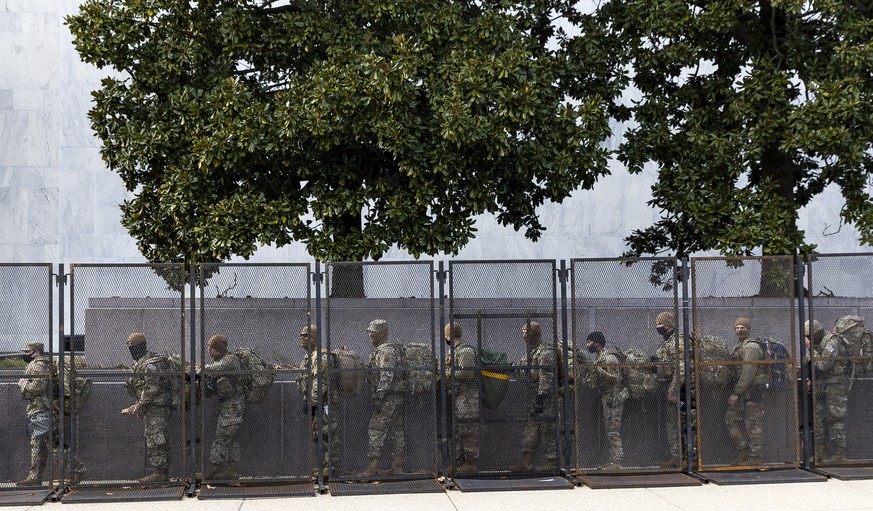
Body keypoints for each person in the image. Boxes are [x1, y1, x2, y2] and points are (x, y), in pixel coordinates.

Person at [17, 342, 88, 486]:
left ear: (35, 352)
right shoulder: (40, 363)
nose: (24, 354)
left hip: (43, 408)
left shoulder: (40, 364)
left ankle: (78, 468)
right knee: (39, 443)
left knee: (52, 443)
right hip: (39, 408)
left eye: (27, 351)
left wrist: (23, 384)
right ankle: (35, 476)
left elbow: (38, 387)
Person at [123, 332, 176, 482]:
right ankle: (161, 472)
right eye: (130, 347)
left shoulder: (151, 363)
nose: (131, 350)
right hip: (150, 407)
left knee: (155, 438)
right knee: (157, 437)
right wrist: (141, 406)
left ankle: (160, 474)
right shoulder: (140, 362)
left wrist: (140, 406)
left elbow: (151, 387)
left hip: (157, 407)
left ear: (140, 346)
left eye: (133, 347)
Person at [509, 320, 557, 472]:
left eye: (526, 333)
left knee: (548, 432)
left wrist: (541, 399)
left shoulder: (545, 352)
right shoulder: (531, 353)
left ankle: (553, 462)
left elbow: (546, 377)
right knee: (531, 432)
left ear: (533, 334)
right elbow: (523, 372)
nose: (524, 336)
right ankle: (526, 462)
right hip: (533, 401)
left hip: (545, 402)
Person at [200, 334, 247, 480]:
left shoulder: (230, 360)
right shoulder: (219, 361)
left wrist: (201, 369)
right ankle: (232, 471)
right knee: (230, 439)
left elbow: (212, 369)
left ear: (218, 349)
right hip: (227, 407)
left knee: (221, 439)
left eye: (211, 348)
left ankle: (210, 473)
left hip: (233, 407)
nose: (209, 350)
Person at [294, 323, 338, 478]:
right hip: (314, 403)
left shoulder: (321, 356)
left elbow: (320, 383)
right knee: (318, 434)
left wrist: (312, 400)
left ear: (313, 337)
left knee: (327, 434)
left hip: (324, 404)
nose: (302, 338)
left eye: (305, 335)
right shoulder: (310, 356)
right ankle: (322, 467)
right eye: (301, 335)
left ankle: (331, 468)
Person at [365, 319, 407, 476]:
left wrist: (379, 396)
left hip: (388, 398)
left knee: (376, 429)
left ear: (381, 333)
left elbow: (387, 375)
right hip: (396, 397)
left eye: (373, 333)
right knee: (397, 430)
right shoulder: (389, 349)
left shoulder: (386, 350)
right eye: (369, 333)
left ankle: (373, 468)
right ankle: (397, 467)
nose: (370, 336)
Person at [811, 315, 856, 463]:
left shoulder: (832, 343)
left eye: (809, 336)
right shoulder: (819, 343)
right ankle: (820, 453)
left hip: (836, 385)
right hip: (822, 384)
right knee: (819, 418)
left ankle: (840, 453)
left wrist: (811, 350)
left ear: (816, 333)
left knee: (836, 419)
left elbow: (823, 365)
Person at [724, 317, 767, 465]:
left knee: (753, 423)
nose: (739, 330)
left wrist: (737, 392)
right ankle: (743, 450)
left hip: (752, 391)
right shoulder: (739, 346)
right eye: (737, 327)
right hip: (743, 392)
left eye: (743, 327)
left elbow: (749, 370)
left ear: (749, 329)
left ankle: (756, 456)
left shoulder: (751, 347)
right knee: (731, 418)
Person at [653, 311, 693, 468]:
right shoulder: (666, 342)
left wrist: (673, 390)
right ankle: (676, 458)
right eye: (656, 324)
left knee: (686, 423)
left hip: (683, 389)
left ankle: (691, 459)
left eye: (660, 324)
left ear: (669, 324)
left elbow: (682, 368)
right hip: (671, 386)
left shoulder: (679, 341)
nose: (658, 327)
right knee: (671, 424)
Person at [585, 331, 628, 470]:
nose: (588, 345)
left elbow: (615, 378)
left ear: (597, 343)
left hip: (614, 399)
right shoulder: (600, 357)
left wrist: (598, 370)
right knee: (610, 430)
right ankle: (612, 461)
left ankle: (617, 462)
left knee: (613, 430)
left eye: (589, 342)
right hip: (607, 398)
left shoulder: (609, 358)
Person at [444, 321, 480, 473]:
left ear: (450, 336)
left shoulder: (465, 351)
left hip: (468, 397)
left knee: (468, 429)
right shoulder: (455, 350)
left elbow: (467, 373)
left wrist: (447, 373)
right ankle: (459, 463)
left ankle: (471, 464)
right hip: (459, 396)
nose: (445, 338)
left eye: (446, 335)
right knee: (459, 429)